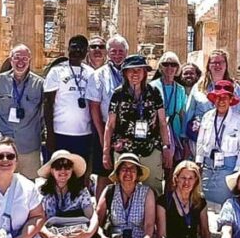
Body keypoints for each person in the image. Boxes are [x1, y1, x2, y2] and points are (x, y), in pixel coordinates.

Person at [102, 54, 172, 192]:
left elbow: (162, 122)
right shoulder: (118, 94)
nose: (135, 73)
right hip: (124, 149)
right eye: (131, 70)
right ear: (125, 73)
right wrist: (105, 152)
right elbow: (110, 125)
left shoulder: (154, 92)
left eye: (139, 70)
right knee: (124, 189)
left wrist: (166, 147)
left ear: (145, 73)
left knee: (154, 189)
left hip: (150, 148)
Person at [0, 44, 45, 178]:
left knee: (28, 187)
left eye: (25, 59)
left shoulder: (39, 84)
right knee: (3, 184)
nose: (21, 62)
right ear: (10, 60)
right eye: (17, 58)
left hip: (29, 145)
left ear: (30, 60)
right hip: (3, 144)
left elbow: (43, 114)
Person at [194, 80, 240, 207]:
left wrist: (238, 173)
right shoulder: (207, 117)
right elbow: (201, 142)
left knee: (224, 205)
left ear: (230, 100)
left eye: (225, 97)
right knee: (204, 204)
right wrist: (199, 162)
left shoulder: (239, 120)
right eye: (218, 97)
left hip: (228, 168)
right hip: (208, 166)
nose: (221, 101)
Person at [44, 36, 96, 170]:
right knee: (59, 173)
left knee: (80, 172)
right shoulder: (56, 71)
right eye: (74, 47)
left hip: (84, 134)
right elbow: (48, 103)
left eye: (81, 48)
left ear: (86, 52)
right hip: (60, 133)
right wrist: (49, 134)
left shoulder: (91, 73)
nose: (77, 51)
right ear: (68, 49)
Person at [86, 34, 129, 194]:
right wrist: (101, 133)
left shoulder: (133, 73)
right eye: (113, 51)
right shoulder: (98, 75)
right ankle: (101, 213)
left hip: (128, 132)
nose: (117, 54)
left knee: (127, 172)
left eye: (121, 51)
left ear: (126, 52)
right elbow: (94, 108)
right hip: (105, 130)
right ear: (108, 53)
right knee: (104, 174)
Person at [183, 48, 240, 156]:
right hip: (200, 141)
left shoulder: (236, 89)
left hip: (227, 143)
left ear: (226, 65)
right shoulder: (198, 88)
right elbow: (189, 114)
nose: (218, 65)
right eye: (214, 62)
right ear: (208, 66)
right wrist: (185, 140)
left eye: (221, 62)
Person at [151, 51, 187, 169]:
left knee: (173, 168)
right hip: (157, 130)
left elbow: (182, 113)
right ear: (161, 66)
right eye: (166, 64)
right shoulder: (152, 86)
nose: (170, 67)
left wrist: (183, 135)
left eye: (173, 64)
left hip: (175, 129)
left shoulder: (181, 90)